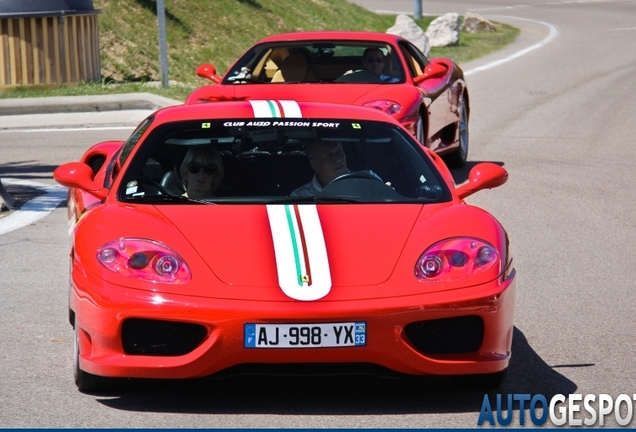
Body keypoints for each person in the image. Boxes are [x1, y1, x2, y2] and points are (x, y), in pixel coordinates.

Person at [290, 140, 384, 197]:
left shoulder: (369, 179)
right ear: (315, 166)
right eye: (329, 155)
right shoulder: (300, 197)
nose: (338, 158)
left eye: (339, 151)